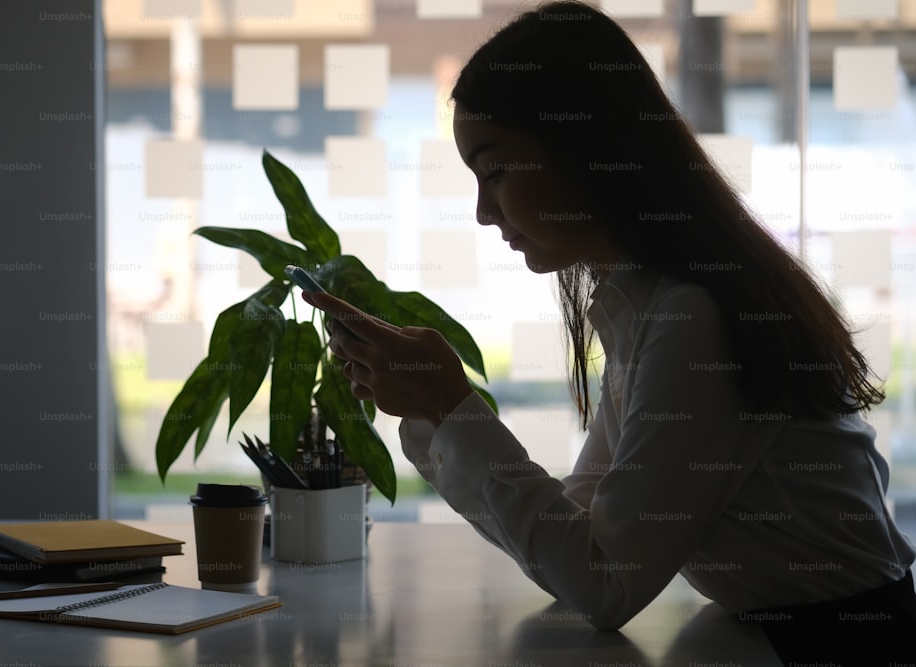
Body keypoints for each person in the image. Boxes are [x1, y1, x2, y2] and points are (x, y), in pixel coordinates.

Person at [302, 2, 916, 664]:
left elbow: (602, 582)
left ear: (582, 147)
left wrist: (450, 408)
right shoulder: (651, 306)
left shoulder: (691, 317)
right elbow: (578, 540)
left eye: (495, 169)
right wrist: (437, 411)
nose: (483, 211)